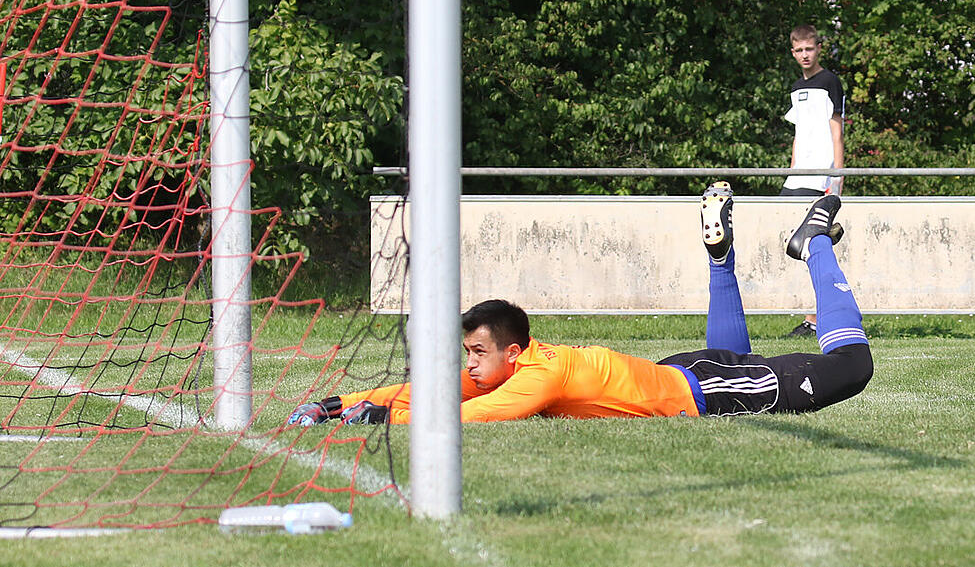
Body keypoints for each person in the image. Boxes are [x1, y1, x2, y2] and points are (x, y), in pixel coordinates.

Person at [287, 187, 872, 426]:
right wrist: (341, 403)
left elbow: (470, 418)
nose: (466, 365)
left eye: (475, 353)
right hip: (682, 373)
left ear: (511, 353)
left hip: (689, 389)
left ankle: (814, 239)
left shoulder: (538, 376)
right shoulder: (516, 364)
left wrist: (381, 417)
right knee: (734, 360)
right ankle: (721, 263)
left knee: (852, 368)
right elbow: (435, 392)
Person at [782, 24, 846, 336]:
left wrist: (836, 177)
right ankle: (808, 315)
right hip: (797, 177)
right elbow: (798, 134)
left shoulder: (830, 81)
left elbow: (837, 131)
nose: (805, 55)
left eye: (810, 49)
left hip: (822, 173)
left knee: (816, 244)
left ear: (818, 48)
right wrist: (791, 171)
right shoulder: (795, 87)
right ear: (793, 52)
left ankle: (816, 319)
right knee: (788, 244)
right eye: (799, 50)